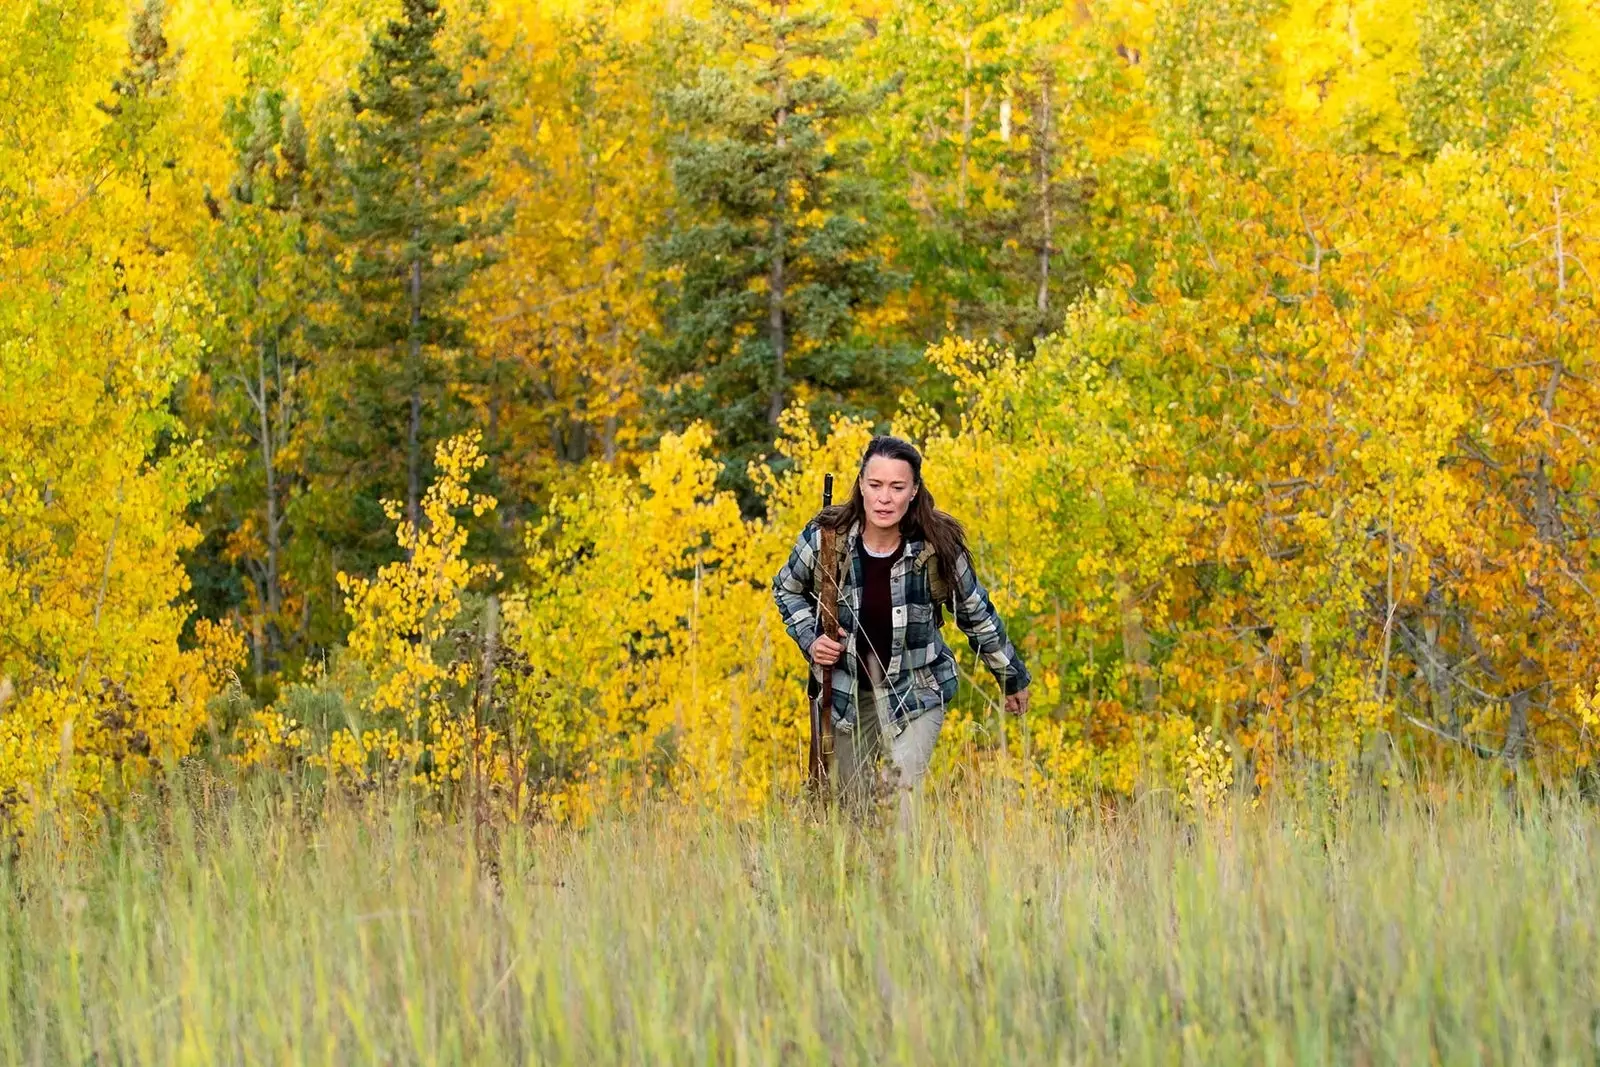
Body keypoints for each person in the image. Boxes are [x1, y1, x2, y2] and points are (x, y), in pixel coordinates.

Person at [771, 435, 1031, 812]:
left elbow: (975, 612)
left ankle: (909, 870)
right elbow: (786, 589)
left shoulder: (936, 547)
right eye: (875, 485)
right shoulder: (826, 540)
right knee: (848, 813)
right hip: (845, 693)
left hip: (917, 690)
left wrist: (1011, 678)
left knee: (900, 806)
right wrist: (811, 639)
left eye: (897, 487)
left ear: (914, 491)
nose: (884, 497)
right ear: (861, 485)